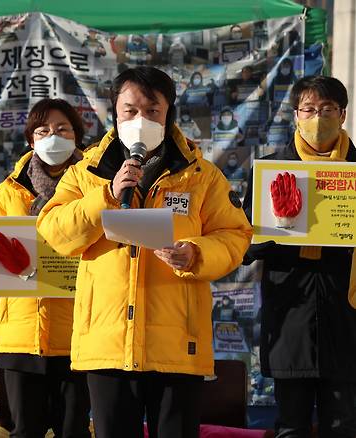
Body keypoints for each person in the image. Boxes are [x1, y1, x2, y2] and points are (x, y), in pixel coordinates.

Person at [36, 67, 252, 438]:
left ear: (169, 115)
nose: (140, 120)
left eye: (152, 111)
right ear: (114, 113)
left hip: (176, 346)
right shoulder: (86, 172)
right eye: (130, 111)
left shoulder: (201, 175)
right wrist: (106, 194)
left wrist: (196, 253)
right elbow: (55, 232)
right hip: (107, 343)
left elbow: (235, 235)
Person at [0, 98, 92, 438]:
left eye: (62, 129)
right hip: (19, 338)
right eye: (44, 130)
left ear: (77, 136)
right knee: (23, 431)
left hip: (77, 336)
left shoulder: (94, 190)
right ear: (31, 140)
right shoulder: (7, 191)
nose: (53, 136)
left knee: (74, 430)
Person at [243, 76, 356, 438]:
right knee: (290, 427)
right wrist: (277, 228)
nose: (317, 118)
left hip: (347, 320)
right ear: (295, 115)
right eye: (309, 109)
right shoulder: (272, 171)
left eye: (327, 110)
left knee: (343, 425)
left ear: (342, 115)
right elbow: (243, 246)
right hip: (291, 318)